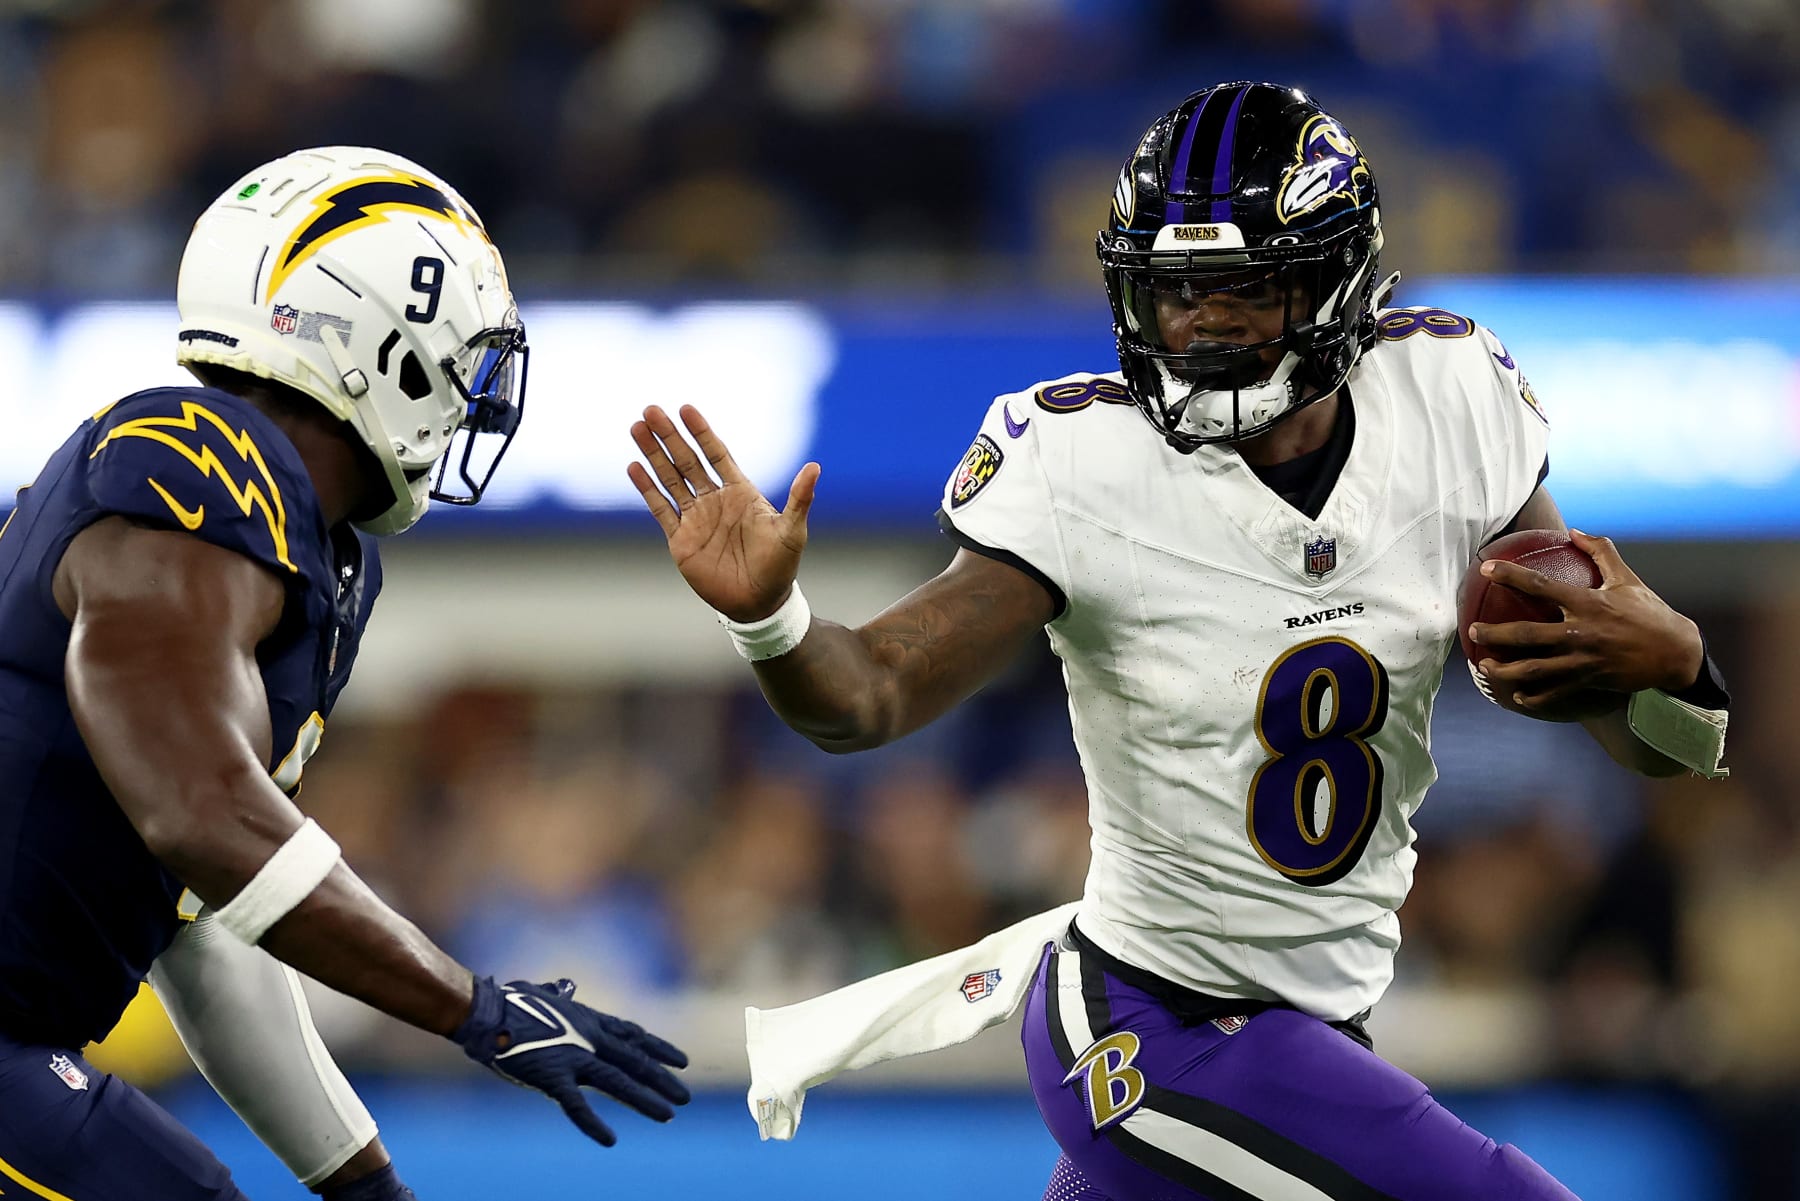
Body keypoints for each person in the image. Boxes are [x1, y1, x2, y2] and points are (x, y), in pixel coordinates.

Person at [628, 82, 1732, 1200]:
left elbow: (1645, 736)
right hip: (1151, 1026)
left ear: (1334, 278)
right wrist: (770, 618)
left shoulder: (1452, 400)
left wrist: (1680, 672)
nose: (1202, 322)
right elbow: (867, 696)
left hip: (1319, 1032)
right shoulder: (1084, 460)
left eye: (1243, 287)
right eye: (1176, 292)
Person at [0, 146, 689, 1201]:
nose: (476, 401)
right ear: (386, 347)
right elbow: (200, 813)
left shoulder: (315, 552)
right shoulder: (190, 457)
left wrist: (367, 1185)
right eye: (467, 361)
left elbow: (211, 917)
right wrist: (475, 1007)